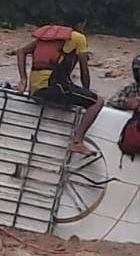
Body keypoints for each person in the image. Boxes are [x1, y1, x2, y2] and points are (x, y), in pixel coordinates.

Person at [15, 14, 104, 156]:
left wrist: (23, 79)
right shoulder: (78, 38)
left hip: (35, 89)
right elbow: (84, 70)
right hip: (53, 87)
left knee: (71, 91)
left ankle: (76, 140)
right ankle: (77, 142)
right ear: (81, 25)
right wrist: (85, 92)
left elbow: (20, 51)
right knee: (97, 101)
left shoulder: (49, 37)